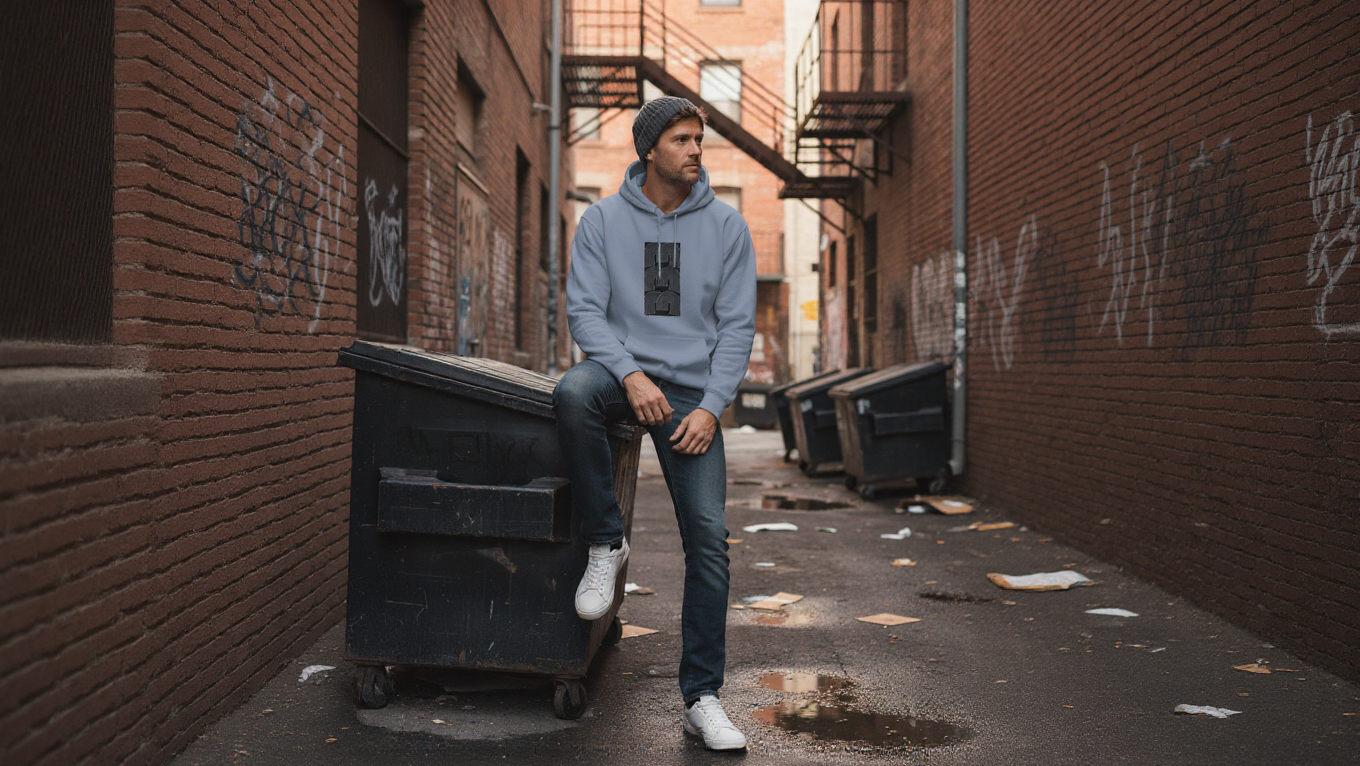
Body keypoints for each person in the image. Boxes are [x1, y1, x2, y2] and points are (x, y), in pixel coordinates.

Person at [552, 96, 756, 750]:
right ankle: (606, 544)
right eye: (682, 139)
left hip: (694, 394)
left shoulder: (726, 227)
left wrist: (711, 405)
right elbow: (584, 313)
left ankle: (702, 697)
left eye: (701, 139)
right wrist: (631, 373)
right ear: (650, 150)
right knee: (573, 392)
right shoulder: (603, 222)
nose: (697, 149)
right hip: (623, 376)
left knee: (709, 540)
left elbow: (736, 328)